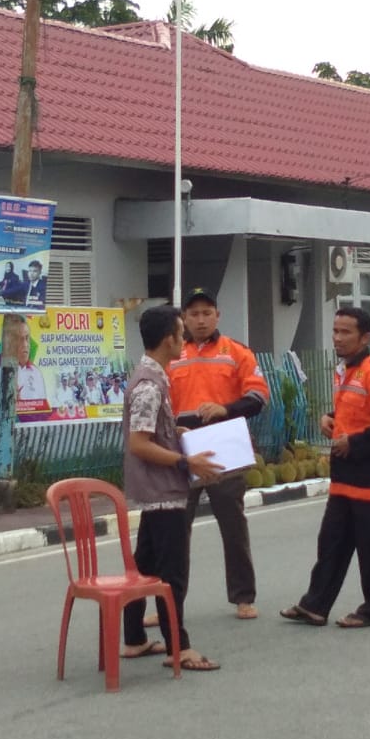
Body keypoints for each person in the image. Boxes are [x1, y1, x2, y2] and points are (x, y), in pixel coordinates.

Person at [281, 306, 370, 629]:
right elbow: (352, 414)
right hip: (345, 473)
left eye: (345, 332)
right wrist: (330, 420)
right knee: (332, 541)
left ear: (365, 337)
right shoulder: (343, 372)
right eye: (335, 331)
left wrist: (353, 443)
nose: (337, 338)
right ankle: (315, 605)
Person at [120, 305, 223, 671]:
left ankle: (134, 638)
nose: (186, 339)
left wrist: (174, 432)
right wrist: (185, 461)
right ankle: (177, 647)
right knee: (172, 575)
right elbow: (139, 443)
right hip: (163, 492)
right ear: (169, 339)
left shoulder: (153, 377)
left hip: (155, 492)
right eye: (182, 333)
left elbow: (152, 433)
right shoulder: (149, 385)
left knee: (143, 566)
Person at [167, 287, 270, 621]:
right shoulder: (171, 355)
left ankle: (244, 596)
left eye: (206, 312)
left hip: (223, 446)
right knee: (174, 529)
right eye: (193, 313)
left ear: (218, 316)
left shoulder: (236, 352)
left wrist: (225, 408)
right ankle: (168, 601)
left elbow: (258, 398)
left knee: (233, 526)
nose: (200, 319)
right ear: (183, 318)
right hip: (181, 449)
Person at [0, 314, 47, 404]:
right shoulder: (1, 369)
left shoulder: (36, 373)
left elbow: (42, 407)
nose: (25, 344)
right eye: (20, 339)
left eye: (27, 338)